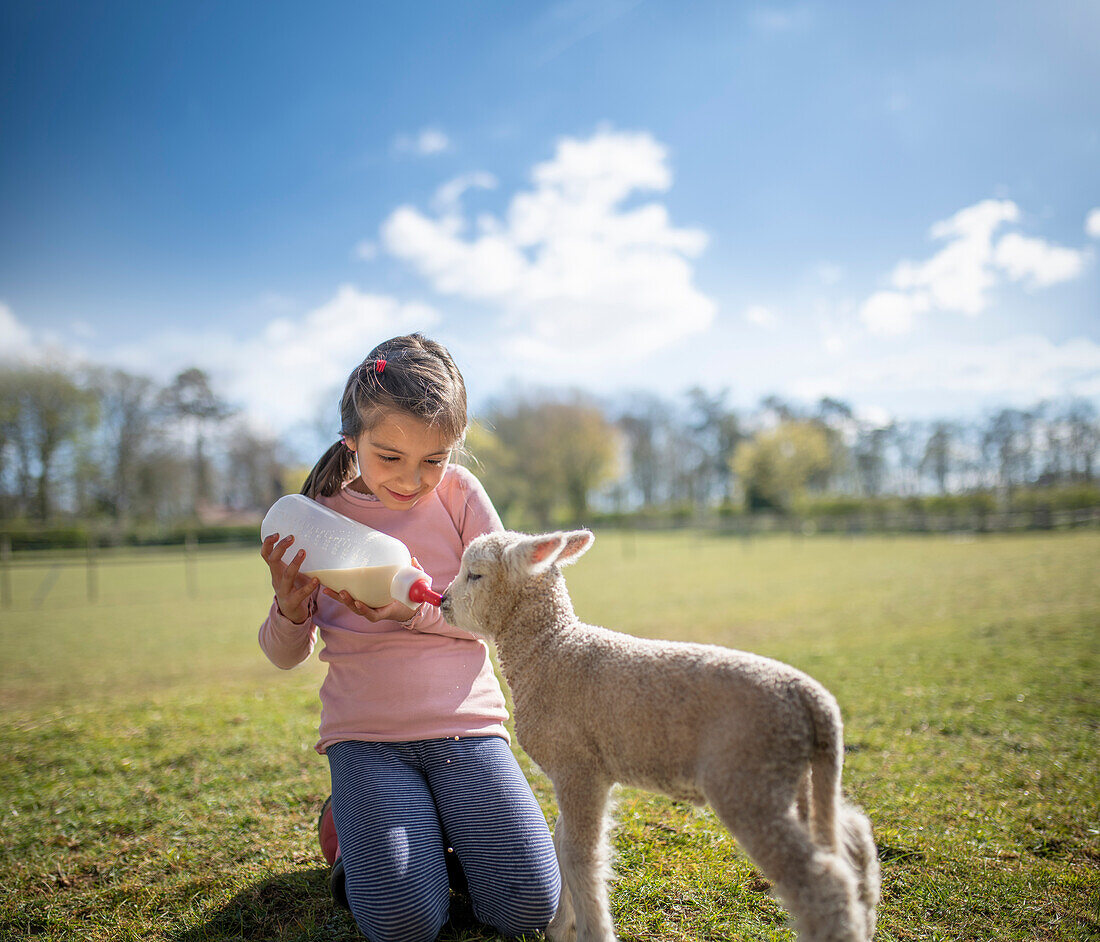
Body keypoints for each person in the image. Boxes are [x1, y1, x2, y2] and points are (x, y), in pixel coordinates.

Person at [259, 334, 560, 942]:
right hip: (367, 737)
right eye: (389, 456)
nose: (412, 479)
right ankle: (354, 834)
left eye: (435, 459)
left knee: (529, 907)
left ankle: (436, 833)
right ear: (352, 440)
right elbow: (282, 655)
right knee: (403, 925)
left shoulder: (461, 497)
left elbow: (505, 607)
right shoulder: (318, 515)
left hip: (467, 728)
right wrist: (289, 609)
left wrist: (411, 614)